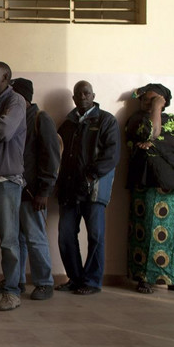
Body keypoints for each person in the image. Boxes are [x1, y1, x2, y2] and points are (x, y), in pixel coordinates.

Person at [125, 83, 174, 294]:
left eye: (154, 99)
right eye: (145, 99)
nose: (148, 102)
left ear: (165, 101)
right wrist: (155, 113)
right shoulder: (136, 120)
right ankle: (144, 277)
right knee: (146, 231)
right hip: (145, 183)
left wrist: (155, 142)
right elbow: (147, 134)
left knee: (173, 233)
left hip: (170, 185)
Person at [55, 81, 120, 295]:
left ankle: (92, 282)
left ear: (93, 95)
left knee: (95, 236)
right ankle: (75, 279)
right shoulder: (67, 124)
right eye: (78, 94)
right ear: (73, 98)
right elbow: (58, 154)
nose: (82, 97)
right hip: (69, 190)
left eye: (86, 93)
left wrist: (91, 175)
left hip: (94, 190)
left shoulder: (106, 121)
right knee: (65, 235)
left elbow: (112, 155)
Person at [9, 78, 60, 301]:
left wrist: (44, 191)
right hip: (16, 190)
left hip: (34, 192)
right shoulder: (18, 117)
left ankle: (44, 283)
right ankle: (18, 281)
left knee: (35, 237)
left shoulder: (41, 119)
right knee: (17, 239)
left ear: (22, 97)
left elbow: (51, 157)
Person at [0, 62, 27, 311]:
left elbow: (3, 130)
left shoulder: (16, 101)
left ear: (6, 77)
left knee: (8, 240)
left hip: (7, 181)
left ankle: (11, 291)